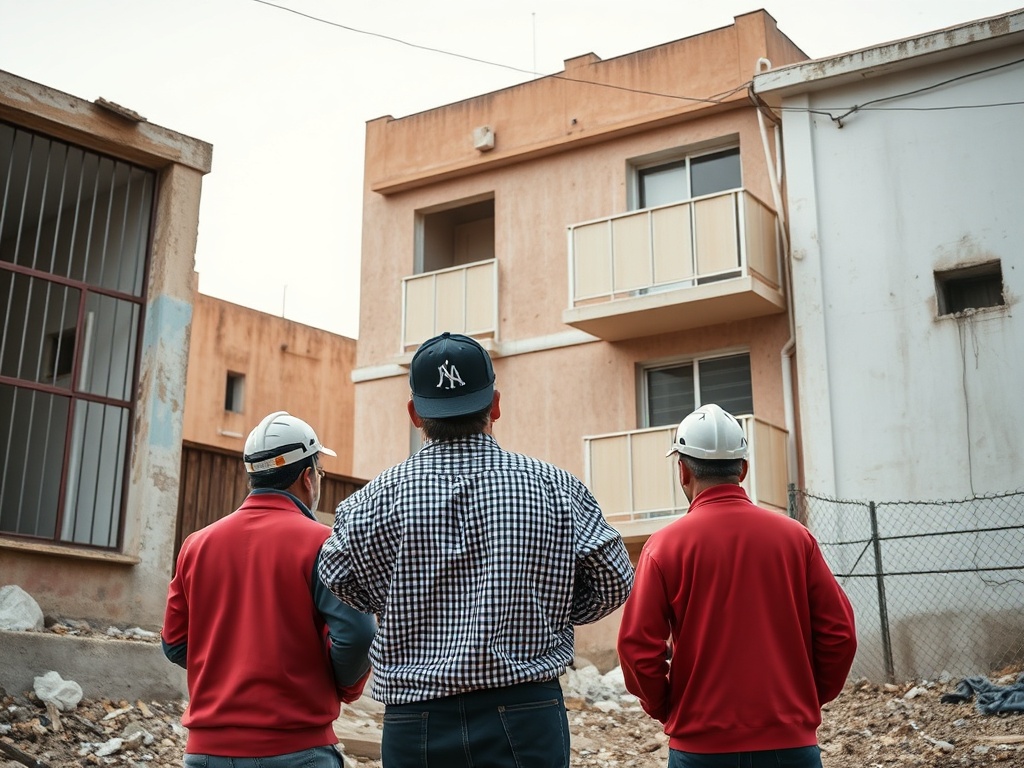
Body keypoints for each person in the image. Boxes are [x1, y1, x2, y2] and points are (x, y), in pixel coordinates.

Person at [318, 331, 634, 768]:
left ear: (415, 414)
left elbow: (338, 576)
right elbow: (613, 580)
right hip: (527, 714)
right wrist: (550, 608)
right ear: (495, 405)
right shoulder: (555, 488)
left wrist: (399, 604)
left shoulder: (369, 503)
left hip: (415, 721)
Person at [616, 403, 857, 768]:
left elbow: (636, 649)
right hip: (791, 745)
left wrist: (667, 708)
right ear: (743, 469)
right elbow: (840, 634)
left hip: (700, 750)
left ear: (682, 470)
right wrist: (804, 702)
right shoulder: (796, 538)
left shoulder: (664, 547)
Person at [162, 411, 377, 767]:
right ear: (308, 477)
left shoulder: (196, 545)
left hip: (205, 754)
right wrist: (339, 685)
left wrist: (227, 667)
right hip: (297, 752)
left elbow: (174, 644)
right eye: (320, 472)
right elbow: (358, 636)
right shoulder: (324, 544)